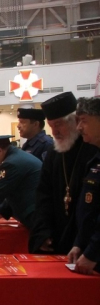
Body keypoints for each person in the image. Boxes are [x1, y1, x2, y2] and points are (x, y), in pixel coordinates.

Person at [28, 92, 100, 254]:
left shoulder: (92, 148)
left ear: (75, 121)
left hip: (87, 238)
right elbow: (43, 194)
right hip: (57, 234)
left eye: (58, 125)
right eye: (51, 126)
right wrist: (43, 231)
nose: (54, 132)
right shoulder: (54, 152)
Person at [72, 96, 100, 274]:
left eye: (84, 121)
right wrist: (79, 243)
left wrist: (92, 253)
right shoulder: (95, 158)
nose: (79, 128)